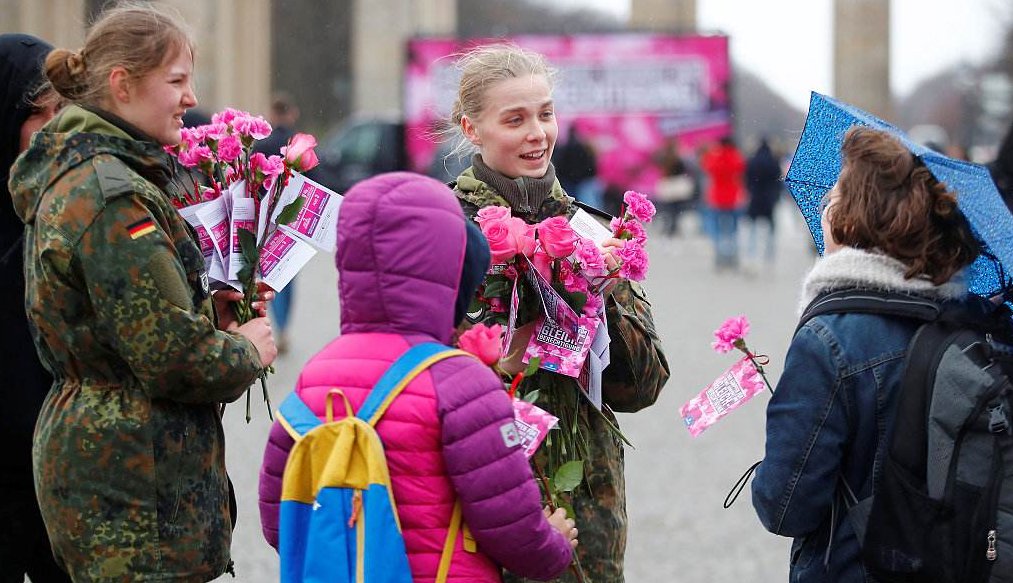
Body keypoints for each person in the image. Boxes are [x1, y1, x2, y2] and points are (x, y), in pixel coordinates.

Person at [8, 5, 277, 581]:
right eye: (176, 81)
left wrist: (207, 310)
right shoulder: (114, 197)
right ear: (122, 84)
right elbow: (171, 357)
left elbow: (124, 325)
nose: (190, 97)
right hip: (130, 482)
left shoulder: (93, 174)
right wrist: (248, 350)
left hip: (123, 465)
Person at [258, 172, 578, 581]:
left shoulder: (316, 377)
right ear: (447, 263)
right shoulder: (461, 384)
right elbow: (512, 528)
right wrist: (554, 545)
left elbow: (280, 517)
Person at [446, 44, 670, 583]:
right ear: (471, 129)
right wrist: (506, 356)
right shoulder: (446, 231)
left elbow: (640, 389)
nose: (537, 133)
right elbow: (421, 378)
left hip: (588, 507)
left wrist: (606, 296)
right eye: (515, 119)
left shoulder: (594, 231)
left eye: (545, 114)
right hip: (482, 499)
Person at [751, 126, 981, 582]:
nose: (823, 208)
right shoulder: (968, 320)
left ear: (855, 218)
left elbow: (784, 507)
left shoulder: (830, 340)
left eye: (834, 196)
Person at [0, 32, 72, 583]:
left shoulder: (71, 207)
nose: (52, 128)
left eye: (62, 111)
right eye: (37, 114)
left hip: (60, 471)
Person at [253, 92, 302, 354]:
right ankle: (283, 329)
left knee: (270, 275)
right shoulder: (299, 146)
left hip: (267, 220)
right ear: (291, 113)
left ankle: (269, 326)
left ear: (273, 114)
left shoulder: (263, 145)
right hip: (293, 220)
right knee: (289, 276)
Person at [701, 135, 746, 270]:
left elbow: (706, 166)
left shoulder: (715, 157)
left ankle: (720, 258)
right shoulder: (737, 157)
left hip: (717, 197)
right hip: (733, 197)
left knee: (718, 230)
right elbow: (741, 171)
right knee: (732, 230)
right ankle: (733, 257)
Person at [744, 137, 783, 267]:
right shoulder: (774, 161)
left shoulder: (752, 161)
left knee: (753, 229)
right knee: (770, 229)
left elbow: (747, 180)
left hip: (755, 198)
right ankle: (769, 255)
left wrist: (750, 190)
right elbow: (778, 182)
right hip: (769, 199)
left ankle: (752, 255)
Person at [652, 136, 696, 238]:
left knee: (669, 210)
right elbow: (685, 168)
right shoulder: (677, 158)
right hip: (675, 186)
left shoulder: (664, 157)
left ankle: (670, 227)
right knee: (675, 210)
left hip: (669, 186)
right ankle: (673, 227)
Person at [554, 124, 603, 209]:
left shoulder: (565, 147)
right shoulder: (584, 147)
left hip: (570, 180)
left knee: (572, 204)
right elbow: (590, 164)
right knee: (590, 205)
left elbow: (559, 164)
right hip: (583, 180)